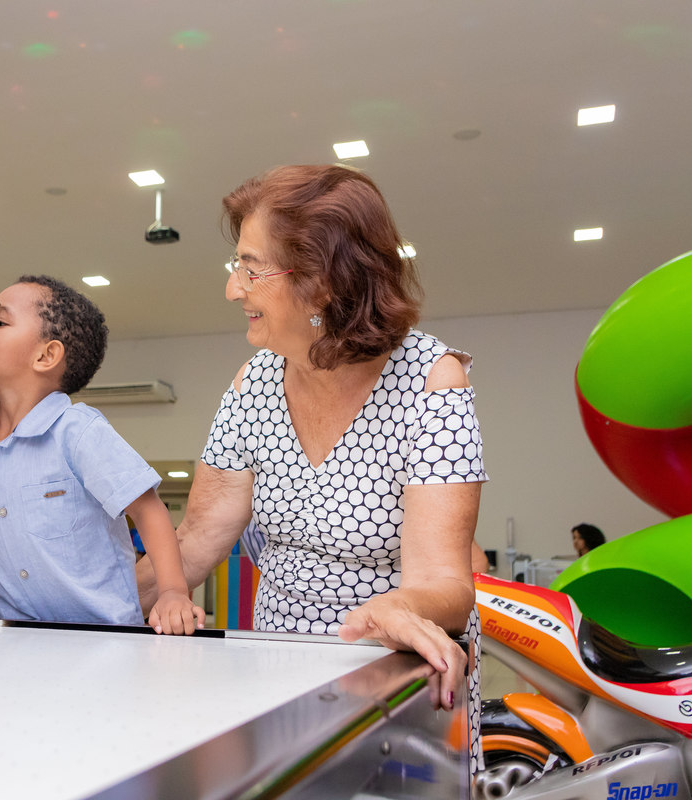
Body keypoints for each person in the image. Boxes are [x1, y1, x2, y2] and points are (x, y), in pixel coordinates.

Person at [135, 164, 488, 765]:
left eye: (252, 268)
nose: (233, 288)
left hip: (390, 678)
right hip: (282, 675)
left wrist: (396, 608)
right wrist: (84, 599)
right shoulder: (254, 384)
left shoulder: (432, 381)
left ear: (323, 281)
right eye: (235, 265)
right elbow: (195, 541)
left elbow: (445, 581)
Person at [0, 275, 204, 635]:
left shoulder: (77, 432)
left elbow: (148, 509)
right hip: (17, 635)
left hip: (101, 638)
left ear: (46, 356)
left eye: (0, 321)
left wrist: (172, 592)